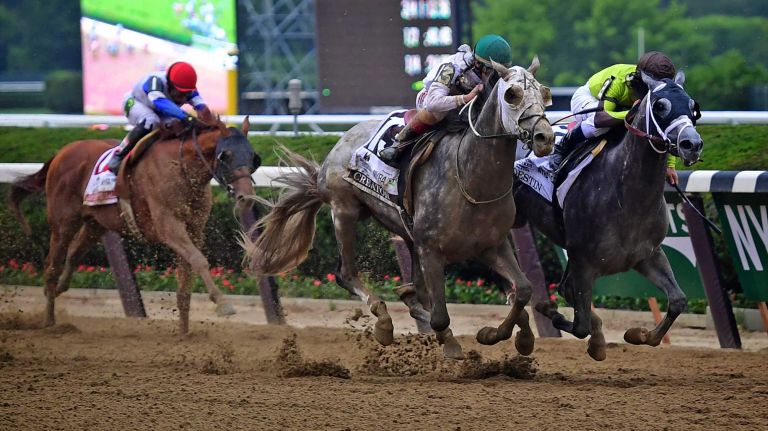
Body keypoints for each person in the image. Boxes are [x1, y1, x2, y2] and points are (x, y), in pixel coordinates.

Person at [378, 34, 513, 162]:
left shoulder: (493, 74)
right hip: (430, 100)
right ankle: (399, 144)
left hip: (467, 108)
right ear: (478, 64)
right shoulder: (453, 67)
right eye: (492, 70)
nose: (497, 76)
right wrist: (466, 98)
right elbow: (432, 103)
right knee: (438, 112)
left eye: (501, 70)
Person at [550, 51, 679, 184]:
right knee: (604, 126)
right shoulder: (619, 80)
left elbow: (664, 124)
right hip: (590, 100)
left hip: (620, 108)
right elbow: (601, 117)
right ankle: (562, 146)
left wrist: (670, 165)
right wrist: (634, 112)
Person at [107, 61, 213, 174]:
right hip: (136, 103)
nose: (183, 96)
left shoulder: (190, 90)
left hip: (160, 111)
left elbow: (202, 108)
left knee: (177, 125)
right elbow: (159, 102)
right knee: (151, 120)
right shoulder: (155, 81)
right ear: (169, 83)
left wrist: (208, 125)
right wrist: (186, 117)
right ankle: (119, 154)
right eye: (180, 92)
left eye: (186, 93)